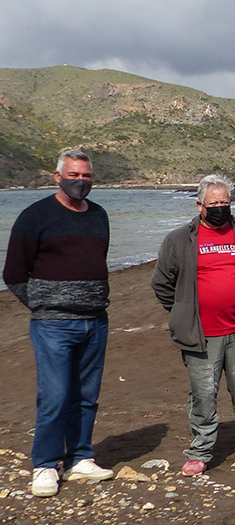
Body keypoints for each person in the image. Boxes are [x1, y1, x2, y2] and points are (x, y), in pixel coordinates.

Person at [3, 150, 115, 497]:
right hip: (53, 325)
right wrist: (44, 304)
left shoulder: (99, 215)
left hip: (95, 321)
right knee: (54, 396)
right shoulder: (35, 216)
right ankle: (45, 465)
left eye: (86, 176)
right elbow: (13, 273)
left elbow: (96, 261)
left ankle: (80, 458)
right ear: (57, 177)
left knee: (87, 395)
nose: (80, 181)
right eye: (73, 175)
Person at [151, 175, 235, 475]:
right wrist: (183, 311)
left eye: (224, 202)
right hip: (201, 335)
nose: (220, 208)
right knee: (203, 395)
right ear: (199, 205)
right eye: (213, 203)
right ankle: (200, 451)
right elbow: (162, 282)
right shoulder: (179, 239)